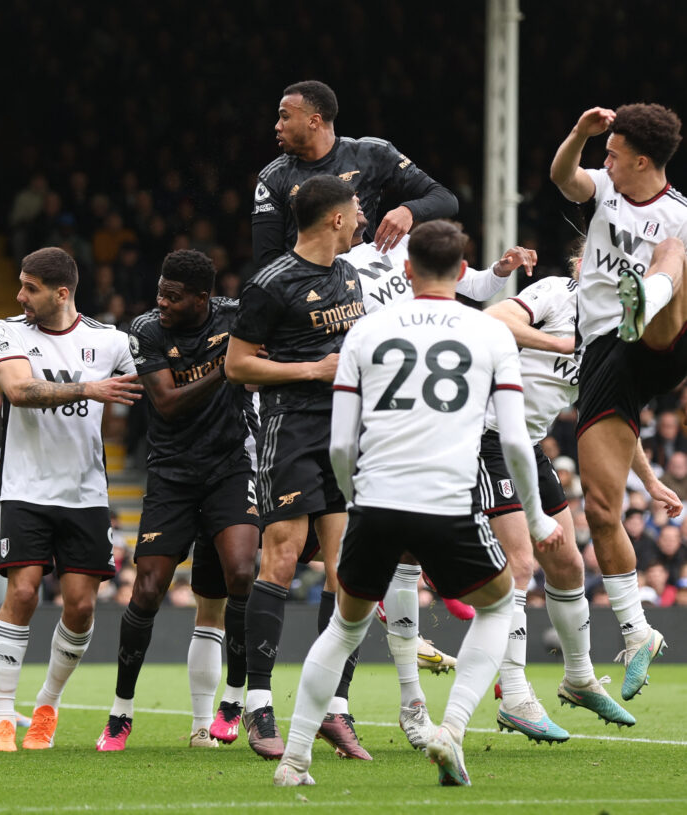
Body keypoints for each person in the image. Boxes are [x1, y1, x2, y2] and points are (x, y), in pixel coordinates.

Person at [273, 220, 564, 788]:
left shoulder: (366, 331)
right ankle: (450, 731)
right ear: (462, 272)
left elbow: (339, 442)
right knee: (498, 607)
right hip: (448, 503)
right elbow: (511, 442)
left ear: (406, 271)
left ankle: (295, 759)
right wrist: (536, 514)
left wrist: (358, 499)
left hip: (376, 501)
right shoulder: (490, 335)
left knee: (343, 628)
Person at [479, 256, 682, 742]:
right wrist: (562, 343)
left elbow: (613, 419)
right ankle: (516, 696)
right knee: (521, 565)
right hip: (483, 436)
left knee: (568, 562)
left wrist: (651, 483)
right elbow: (494, 319)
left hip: (528, 447)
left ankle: (578, 678)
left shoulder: (612, 335)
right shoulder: (555, 291)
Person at [225, 175, 366, 760]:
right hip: (291, 427)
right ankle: (259, 706)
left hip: (343, 432)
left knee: (346, 571)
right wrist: (313, 370)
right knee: (282, 558)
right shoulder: (271, 283)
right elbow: (237, 365)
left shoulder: (350, 274)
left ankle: (335, 706)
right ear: (334, 218)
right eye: (356, 208)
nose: (362, 216)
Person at [95, 250, 259, 751]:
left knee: (241, 575)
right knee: (146, 589)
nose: (161, 301)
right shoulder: (147, 330)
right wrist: (228, 368)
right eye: (161, 291)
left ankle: (233, 700)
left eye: (173, 295)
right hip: (171, 474)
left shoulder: (235, 316)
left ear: (202, 298)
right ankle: (121, 712)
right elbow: (164, 404)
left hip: (231, 466)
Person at [550, 103, 687, 699]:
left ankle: (650, 297)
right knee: (602, 508)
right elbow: (563, 178)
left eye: (611, 151)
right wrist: (581, 133)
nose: (603, 160)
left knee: (674, 256)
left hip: (661, 336)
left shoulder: (678, 212)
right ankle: (637, 633)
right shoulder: (605, 187)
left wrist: (654, 294)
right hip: (604, 356)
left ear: (641, 160)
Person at [0, 247, 142, 752]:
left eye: (29, 287)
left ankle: (48, 706)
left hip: (86, 493)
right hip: (25, 488)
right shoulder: (8, 331)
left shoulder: (111, 340)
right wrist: (91, 389)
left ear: (61, 292)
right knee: (24, 593)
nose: (20, 295)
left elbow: (154, 381)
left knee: (79, 606)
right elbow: (19, 390)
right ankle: (3, 717)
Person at [252, 79, 457, 270]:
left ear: (314, 121)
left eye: (285, 117)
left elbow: (446, 199)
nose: (277, 126)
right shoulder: (272, 177)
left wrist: (408, 211)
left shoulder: (372, 153)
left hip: (365, 283)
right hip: (306, 288)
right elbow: (267, 263)